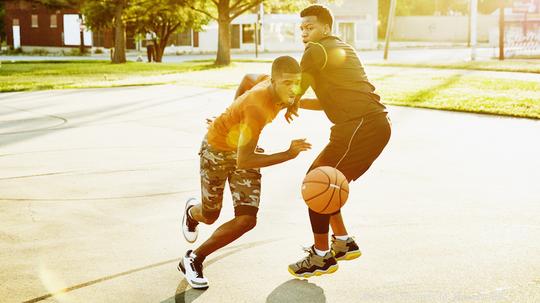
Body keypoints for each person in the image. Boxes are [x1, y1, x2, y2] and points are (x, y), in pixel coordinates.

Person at [178, 56, 312, 289]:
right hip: (217, 151)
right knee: (210, 215)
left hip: (243, 148)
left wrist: (230, 113)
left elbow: (247, 78)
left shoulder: (269, 85)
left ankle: (193, 258)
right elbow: (245, 159)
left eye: (297, 82)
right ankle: (192, 213)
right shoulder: (256, 107)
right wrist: (288, 154)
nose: (293, 88)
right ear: (274, 81)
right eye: (288, 83)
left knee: (247, 220)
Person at [285, 4, 392, 278]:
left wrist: (279, 97)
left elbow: (295, 85)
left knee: (316, 184)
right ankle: (343, 242)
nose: (304, 33)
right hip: (369, 125)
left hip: (360, 127)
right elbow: (329, 101)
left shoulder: (316, 50)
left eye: (310, 27)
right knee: (326, 183)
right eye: (302, 28)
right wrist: (296, 103)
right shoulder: (339, 48)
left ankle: (322, 257)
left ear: (326, 27)